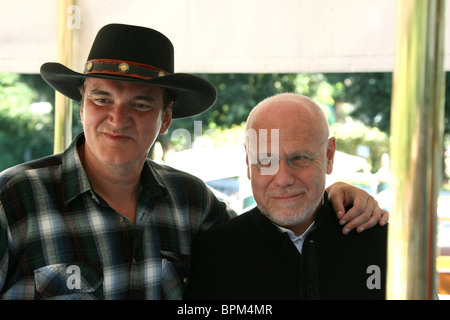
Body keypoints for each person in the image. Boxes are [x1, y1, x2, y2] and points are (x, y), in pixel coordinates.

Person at [0, 24, 386, 300]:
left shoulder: (191, 201)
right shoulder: (13, 200)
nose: (118, 117)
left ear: (165, 119)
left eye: (141, 103)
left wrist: (333, 194)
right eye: (102, 98)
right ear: (81, 106)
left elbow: (274, 222)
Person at [186, 93, 388, 300]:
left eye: (299, 158)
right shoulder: (214, 255)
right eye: (266, 160)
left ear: (329, 155)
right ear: (248, 162)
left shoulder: (385, 243)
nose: (283, 179)